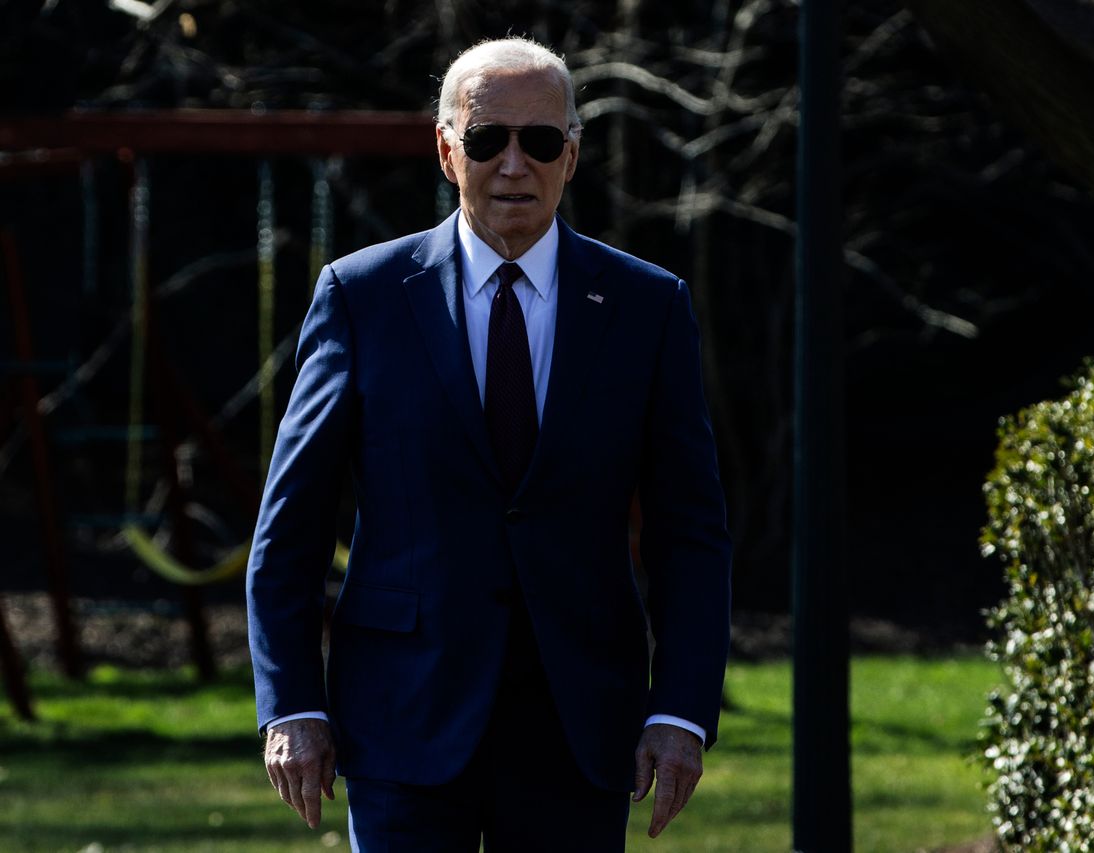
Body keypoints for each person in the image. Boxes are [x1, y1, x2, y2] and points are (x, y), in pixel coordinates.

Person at [246, 36, 732, 852]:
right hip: (401, 717)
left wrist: (679, 709)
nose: (515, 164)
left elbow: (692, 533)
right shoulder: (360, 298)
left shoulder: (647, 309)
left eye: (541, 141)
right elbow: (289, 527)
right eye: (487, 139)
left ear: (571, 156)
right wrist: (292, 705)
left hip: (579, 724)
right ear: (446, 149)